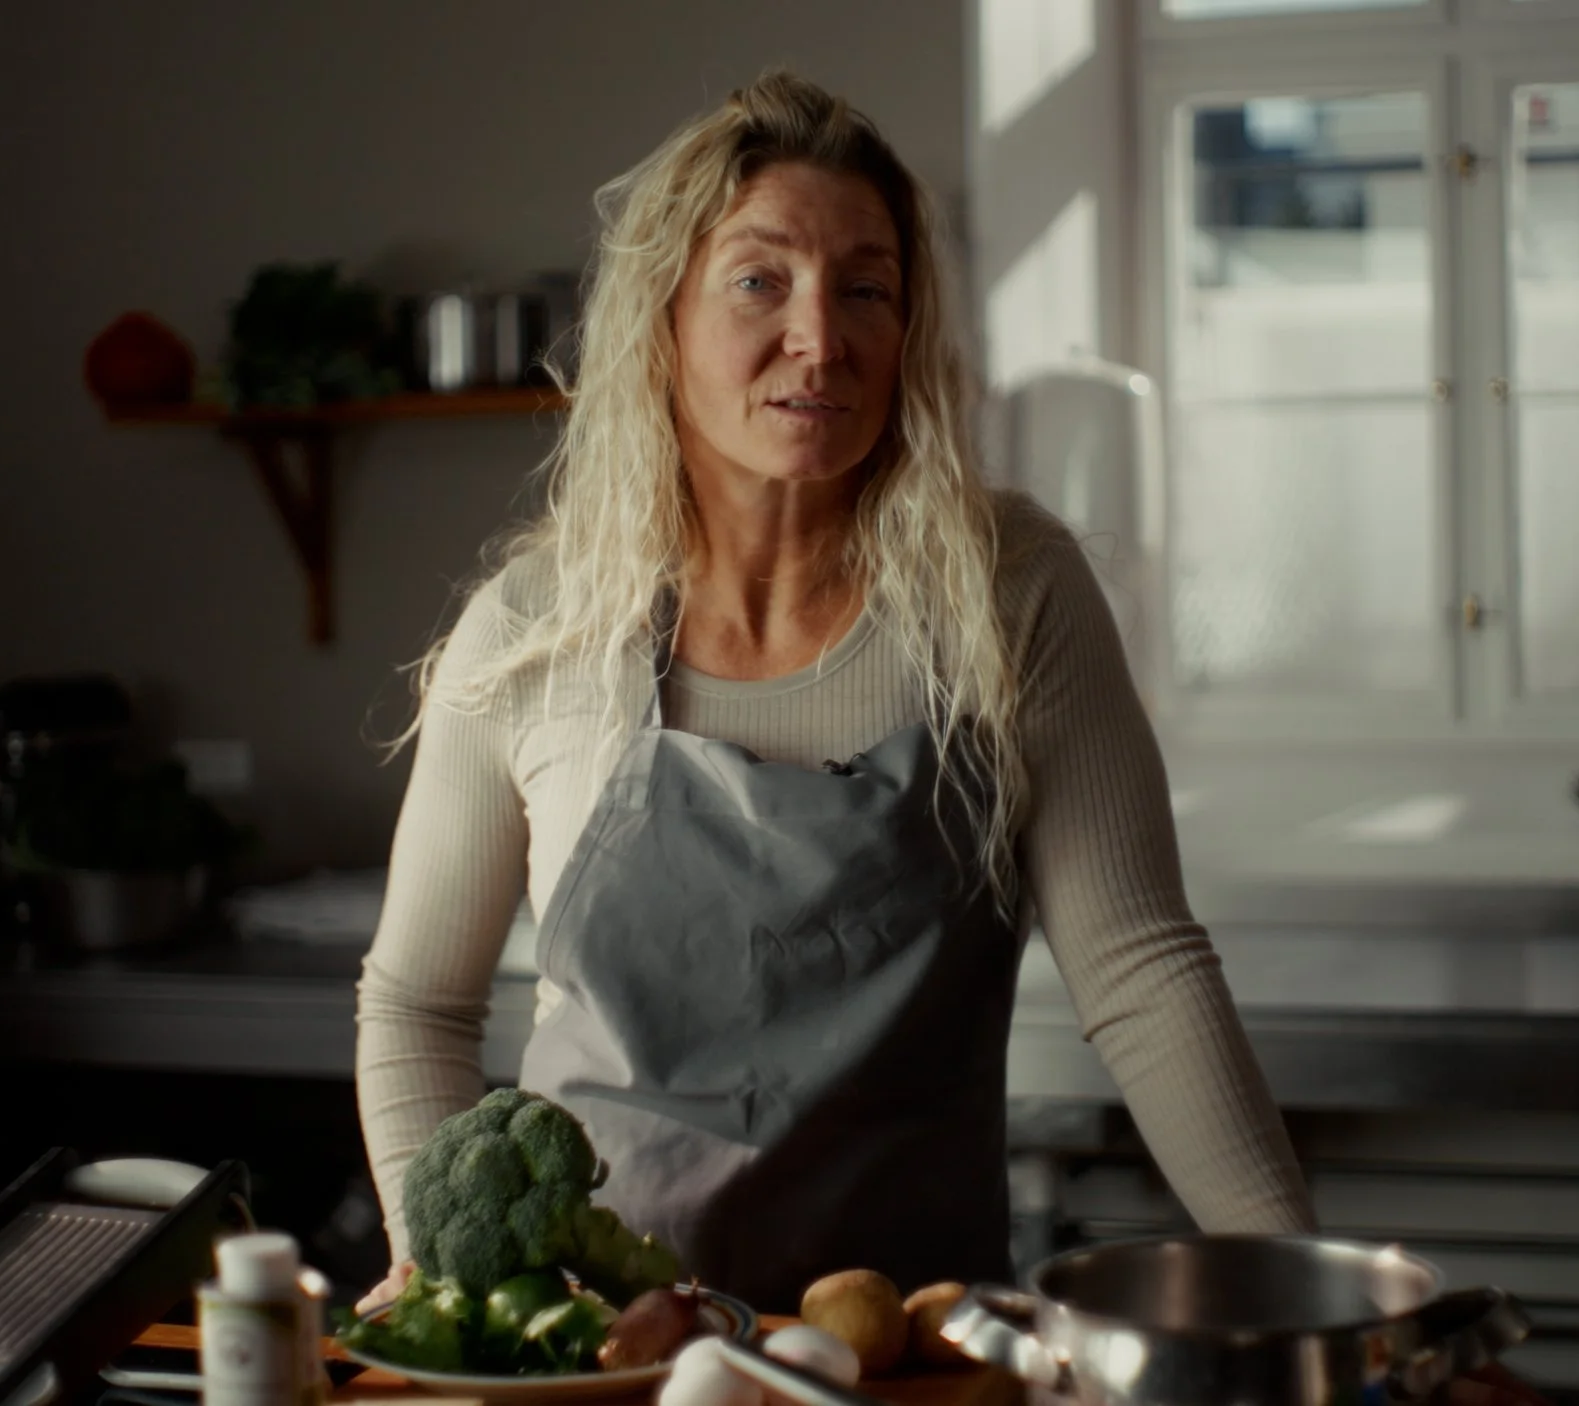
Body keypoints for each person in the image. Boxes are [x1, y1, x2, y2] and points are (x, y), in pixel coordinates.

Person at [353, 70, 1312, 1316]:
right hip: (604, 1358)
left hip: (913, 1353)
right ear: (664, 319)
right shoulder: (537, 628)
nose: (822, 335)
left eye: (866, 287)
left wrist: (1314, 1298)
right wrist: (448, 1276)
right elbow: (417, 1004)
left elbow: (1141, 973)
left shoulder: (1010, 590)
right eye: (761, 280)